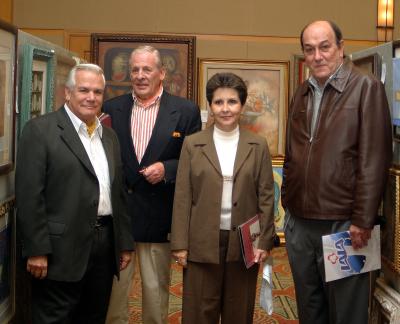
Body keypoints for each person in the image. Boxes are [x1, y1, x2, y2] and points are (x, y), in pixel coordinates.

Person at [282, 20, 392, 324]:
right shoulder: (301, 93)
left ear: (341, 48)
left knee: (347, 313)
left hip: (346, 227)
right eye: (309, 49)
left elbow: (375, 158)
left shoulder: (366, 87)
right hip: (300, 224)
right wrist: (286, 204)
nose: (317, 56)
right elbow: (292, 152)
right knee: (310, 309)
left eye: (325, 47)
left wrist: (362, 218)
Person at [15, 63, 134, 324]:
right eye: (83, 90)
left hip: (104, 247)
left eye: (98, 92)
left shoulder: (109, 136)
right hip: (58, 251)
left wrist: (123, 243)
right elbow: (29, 196)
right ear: (67, 93)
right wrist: (36, 250)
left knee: (94, 316)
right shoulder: (40, 131)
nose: (91, 97)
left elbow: (118, 194)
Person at [104, 45, 201, 324]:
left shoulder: (185, 111)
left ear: (162, 73)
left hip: (158, 216)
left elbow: (193, 158)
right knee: (114, 295)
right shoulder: (112, 108)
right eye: (135, 69)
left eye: (147, 69)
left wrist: (167, 168)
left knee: (155, 294)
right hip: (119, 218)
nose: (140, 75)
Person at [170, 72, 275, 324]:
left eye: (232, 102)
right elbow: (183, 195)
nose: (225, 109)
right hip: (201, 240)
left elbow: (267, 196)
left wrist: (264, 241)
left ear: (241, 105)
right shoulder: (192, 144)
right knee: (198, 312)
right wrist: (180, 243)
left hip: (244, 242)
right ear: (210, 106)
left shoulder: (258, 145)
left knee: (238, 311)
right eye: (219, 102)